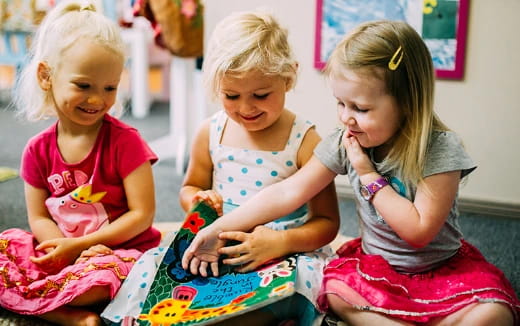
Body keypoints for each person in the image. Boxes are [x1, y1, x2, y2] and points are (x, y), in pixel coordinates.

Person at [182, 20, 520, 325]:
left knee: (495, 314)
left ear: (408, 102)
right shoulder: (345, 140)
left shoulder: (439, 150)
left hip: (440, 271)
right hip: (378, 272)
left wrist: (367, 174)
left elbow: (417, 231)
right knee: (337, 294)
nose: (346, 117)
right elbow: (288, 192)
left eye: (360, 108)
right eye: (340, 103)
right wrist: (219, 227)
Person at [102, 10, 340, 326]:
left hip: (280, 251)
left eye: (261, 94)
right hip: (217, 247)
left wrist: (280, 243)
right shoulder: (211, 132)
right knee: (154, 271)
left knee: (298, 284)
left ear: (289, 77)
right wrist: (199, 201)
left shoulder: (305, 140)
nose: (246, 107)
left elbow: (327, 222)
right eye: (231, 95)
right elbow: (190, 189)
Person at [0, 1, 161, 325]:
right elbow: (39, 217)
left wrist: (84, 246)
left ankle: (54, 304)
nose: (97, 100)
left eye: (110, 88)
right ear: (46, 76)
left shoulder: (125, 142)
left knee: (97, 283)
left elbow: (142, 215)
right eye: (83, 86)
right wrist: (58, 248)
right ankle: (68, 315)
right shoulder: (36, 150)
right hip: (62, 253)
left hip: (117, 251)